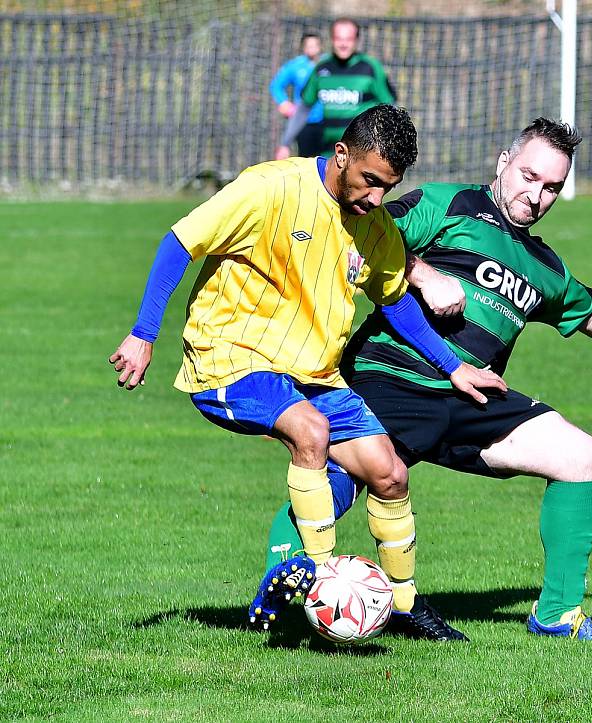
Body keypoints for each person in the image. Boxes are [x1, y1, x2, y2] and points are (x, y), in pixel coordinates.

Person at [261, 118, 592, 642]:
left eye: (552, 187)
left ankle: (557, 614)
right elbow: (366, 233)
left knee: (580, 456)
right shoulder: (450, 206)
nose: (536, 194)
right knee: (346, 473)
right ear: (503, 162)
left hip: (473, 397)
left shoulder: (544, 265)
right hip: (395, 376)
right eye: (528, 175)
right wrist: (423, 276)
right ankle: (282, 588)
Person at [108, 105, 505, 632]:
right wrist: (143, 334)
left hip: (313, 373)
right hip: (230, 357)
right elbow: (179, 242)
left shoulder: (375, 226)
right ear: (341, 154)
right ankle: (323, 586)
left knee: (389, 474)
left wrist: (452, 365)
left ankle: (406, 606)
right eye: (368, 181)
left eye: (387, 187)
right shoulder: (269, 189)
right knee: (310, 431)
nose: (375, 199)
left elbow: (395, 298)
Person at [275, 17, 396, 159]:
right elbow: (303, 109)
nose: (343, 44)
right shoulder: (321, 68)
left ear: (357, 40)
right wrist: (285, 143)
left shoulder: (370, 68)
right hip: (329, 154)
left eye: (349, 39)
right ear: (332, 39)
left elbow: (390, 107)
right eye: (339, 38)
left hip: (362, 155)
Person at [268, 32, 326, 158]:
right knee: (307, 159)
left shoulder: (327, 64)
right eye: (308, 45)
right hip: (304, 121)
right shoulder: (295, 66)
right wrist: (283, 102)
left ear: (320, 46)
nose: (312, 48)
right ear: (303, 47)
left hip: (327, 120)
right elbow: (276, 85)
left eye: (315, 45)